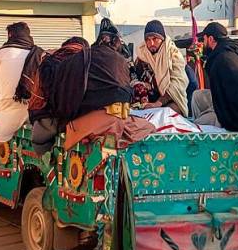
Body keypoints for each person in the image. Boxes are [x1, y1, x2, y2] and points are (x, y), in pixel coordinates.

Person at [50, 19, 155, 150]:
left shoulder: (73, 60)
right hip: (113, 122)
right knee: (149, 127)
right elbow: (126, 96)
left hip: (80, 124)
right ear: (115, 43)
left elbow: (62, 100)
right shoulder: (120, 61)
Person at [30, 36, 89, 155]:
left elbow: (37, 99)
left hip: (50, 122)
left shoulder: (49, 61)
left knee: (39, 145)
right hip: (82, 121)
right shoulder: (89, 62)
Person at [0, 22, 44, 142]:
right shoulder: (39, 54)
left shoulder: (1, 53)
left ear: (10, 35)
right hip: (36, 113)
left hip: (9, 109)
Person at [133, 20, 189, 116]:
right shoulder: (142, 55)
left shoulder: (173, 55)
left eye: (155, 39)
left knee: (165, 115)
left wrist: (159, 103)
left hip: (170, 100)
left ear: (162, 39)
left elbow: (178, 83)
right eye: (147, 39)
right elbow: (135, 78)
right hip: (147, 101)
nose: (151, 43)